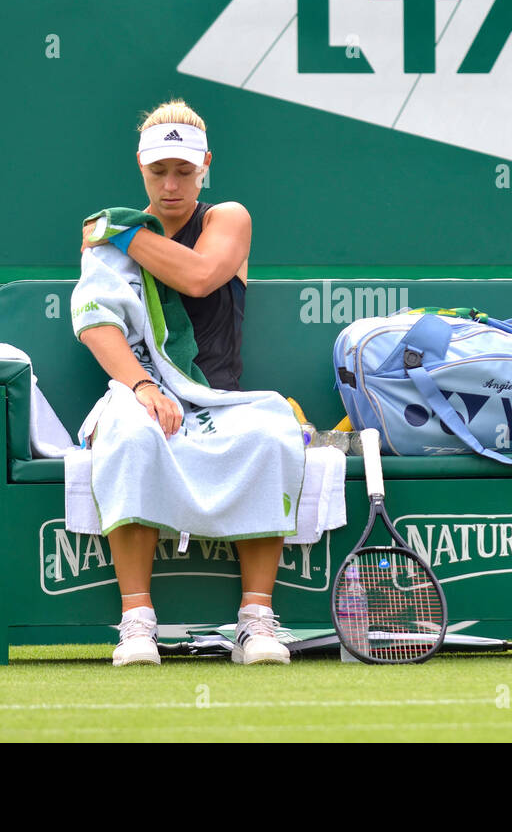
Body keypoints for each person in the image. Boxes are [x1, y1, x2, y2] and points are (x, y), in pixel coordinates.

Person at [78, 99, 294, 666]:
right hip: (141, 386)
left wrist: (118, 233)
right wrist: (142, 387)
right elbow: (96, 321)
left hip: (221, 398)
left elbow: (198, 278)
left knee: (270, 437)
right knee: (129, 436)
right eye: (158, 171)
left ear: (205, 166)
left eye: (184, 170)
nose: (171, 184)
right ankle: (137, 623)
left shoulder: (228, 217)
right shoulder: (113, 233)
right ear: (141, 166)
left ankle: (256, 621)